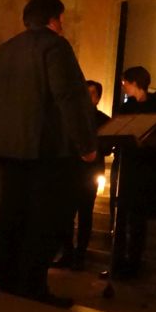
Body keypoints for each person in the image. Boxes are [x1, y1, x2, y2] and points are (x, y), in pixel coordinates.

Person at [0, 0, 97, 308]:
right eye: (61, 19)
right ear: (53, 19)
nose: (62, 25)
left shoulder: (3, 51)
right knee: (42, 217)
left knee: (11, 211)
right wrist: (86, 145)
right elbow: (68, 98)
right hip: (44, 146)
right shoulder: (55, 47)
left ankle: (3, 274)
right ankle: (32, 283)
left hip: (9, 146)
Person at [109, 66, 156, 279]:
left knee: (137, 218)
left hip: (143, 168)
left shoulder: (155, 106)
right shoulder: (127, 107)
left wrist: (149, 142)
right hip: (125, 164)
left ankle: (133, 264)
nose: (124, 86)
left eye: (126, 83)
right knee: (120, 216)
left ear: (136, 82)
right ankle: (117, 262)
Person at [55, 80, 110, 271]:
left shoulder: (103, 120)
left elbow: (107, 147)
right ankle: (67, 253)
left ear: (97, 98)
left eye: (91, 94)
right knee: (65, 215)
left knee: (85, 214)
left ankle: (80, 256)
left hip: (90, 172)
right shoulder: (72, 118)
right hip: (71, 171)